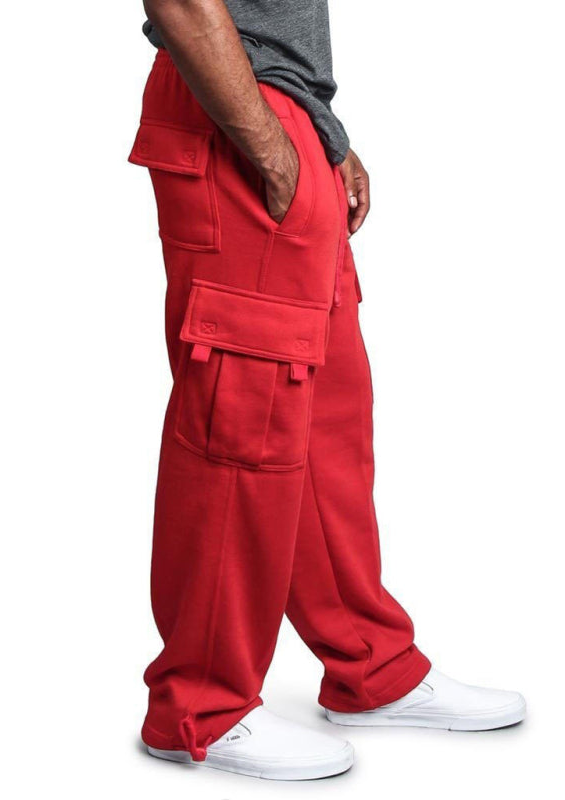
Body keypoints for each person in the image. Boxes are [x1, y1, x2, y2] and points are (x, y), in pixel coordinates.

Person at [129, 0, 525, 781]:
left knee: (326, 419)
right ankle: (198, 706)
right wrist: (271, 145)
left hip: (280, 115)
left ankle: (370, 666)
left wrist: (321, 136)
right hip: (233, 113)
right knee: (241, 421)